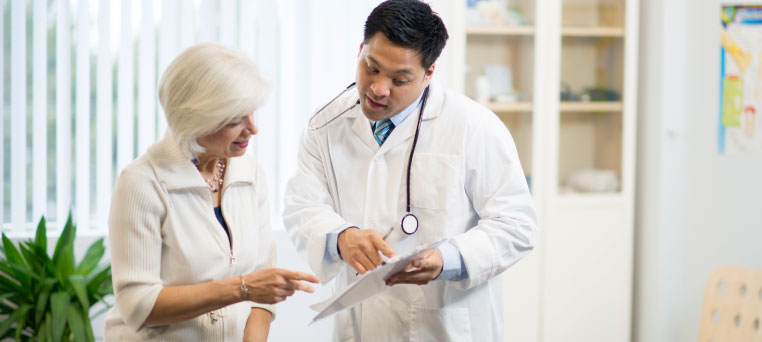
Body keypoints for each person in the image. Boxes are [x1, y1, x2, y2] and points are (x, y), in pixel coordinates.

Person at [282, 1, 538, 340]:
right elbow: (302, 204)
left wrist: (447, 258)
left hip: (444, 326)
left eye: (399, 79)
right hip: (362, 325)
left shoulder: (473, 127)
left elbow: (517, 225)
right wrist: (342, 237)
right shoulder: (326, 124)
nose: (378, 89)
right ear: (361, 49)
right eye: (371, 68)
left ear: (429, 73)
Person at [105, 43, 319, 341]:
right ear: (193, 119)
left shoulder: (250, 174)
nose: (252, 129)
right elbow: (139, 304)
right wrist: (241, 287)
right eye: (235, 120)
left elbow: (261, 285)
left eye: (252, 113)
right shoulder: (142, 183)